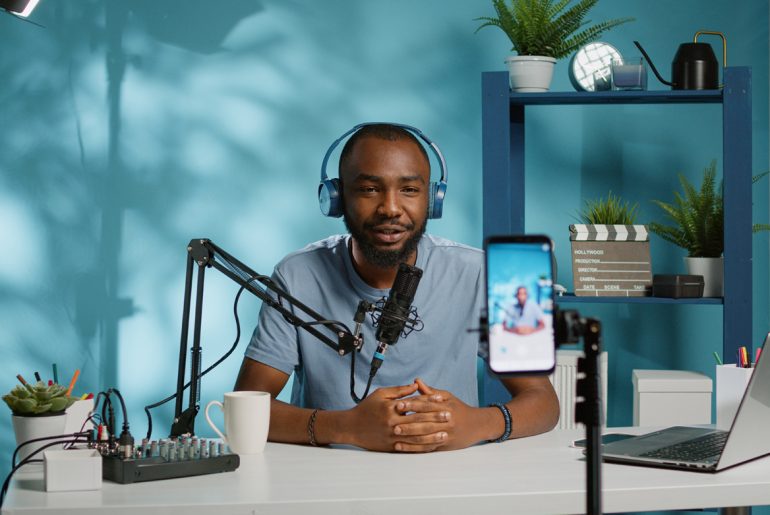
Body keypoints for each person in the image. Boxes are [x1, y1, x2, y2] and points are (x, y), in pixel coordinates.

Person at [235, 123, 559, 452]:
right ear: (337, 198)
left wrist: (475, 423)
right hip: (330, 485)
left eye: (408, 190)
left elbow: (544, 403)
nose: (390, 208)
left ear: (432, 199)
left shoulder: (479, 273)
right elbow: (247, 409)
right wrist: (348, 427)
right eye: (369, 190)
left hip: (449, 483)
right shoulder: (296, 276)